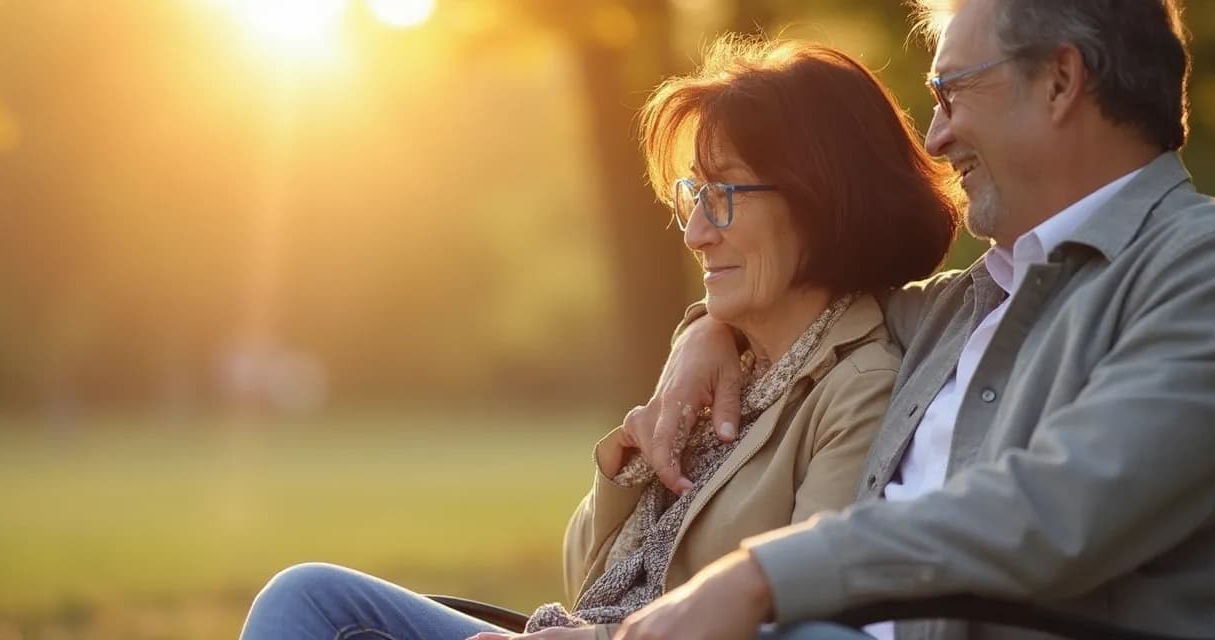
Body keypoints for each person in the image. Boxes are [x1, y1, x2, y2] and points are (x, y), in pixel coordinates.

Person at [608, 2, 1215, 640]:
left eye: (950, 95)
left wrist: (761, 576)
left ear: (1059, 81)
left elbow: (1054, 514)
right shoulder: (962, 303)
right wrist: (709, 328)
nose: (936, 135)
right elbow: (794, 300)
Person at [237, 36, 961, 640]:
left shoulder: (856, 385)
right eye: (691, 197)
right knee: (306, 599)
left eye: (724, 196)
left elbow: (803, 614)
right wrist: (626, 475)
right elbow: (588, 579)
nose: (697, 233)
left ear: (821, 198)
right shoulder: (721, 362)